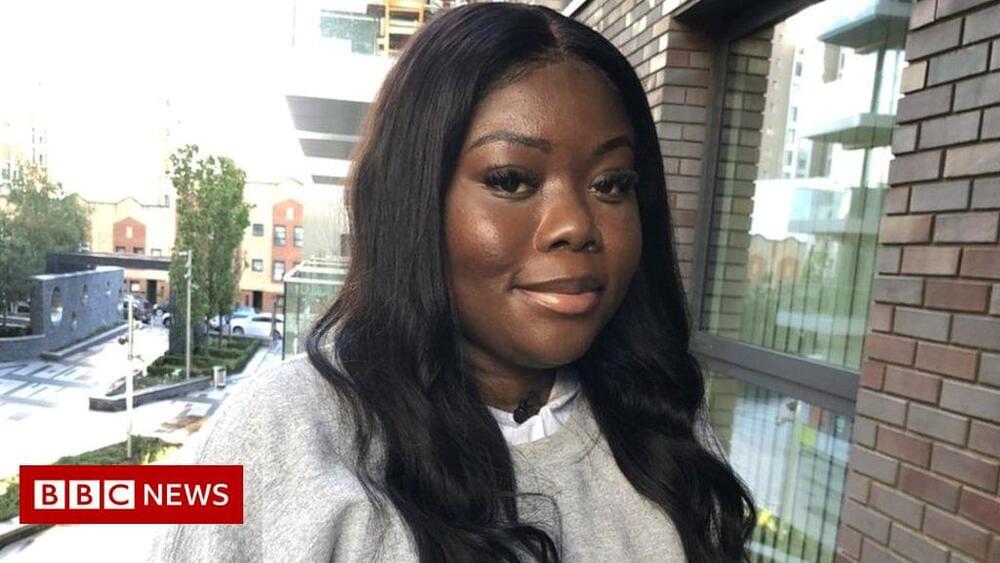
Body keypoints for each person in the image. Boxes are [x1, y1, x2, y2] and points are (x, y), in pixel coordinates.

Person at [151, 3, 755, 561]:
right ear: (414, 200)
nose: (575, 224)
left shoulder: (663, 426)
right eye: (511, 180)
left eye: (611, 184)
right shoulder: (284, 436)